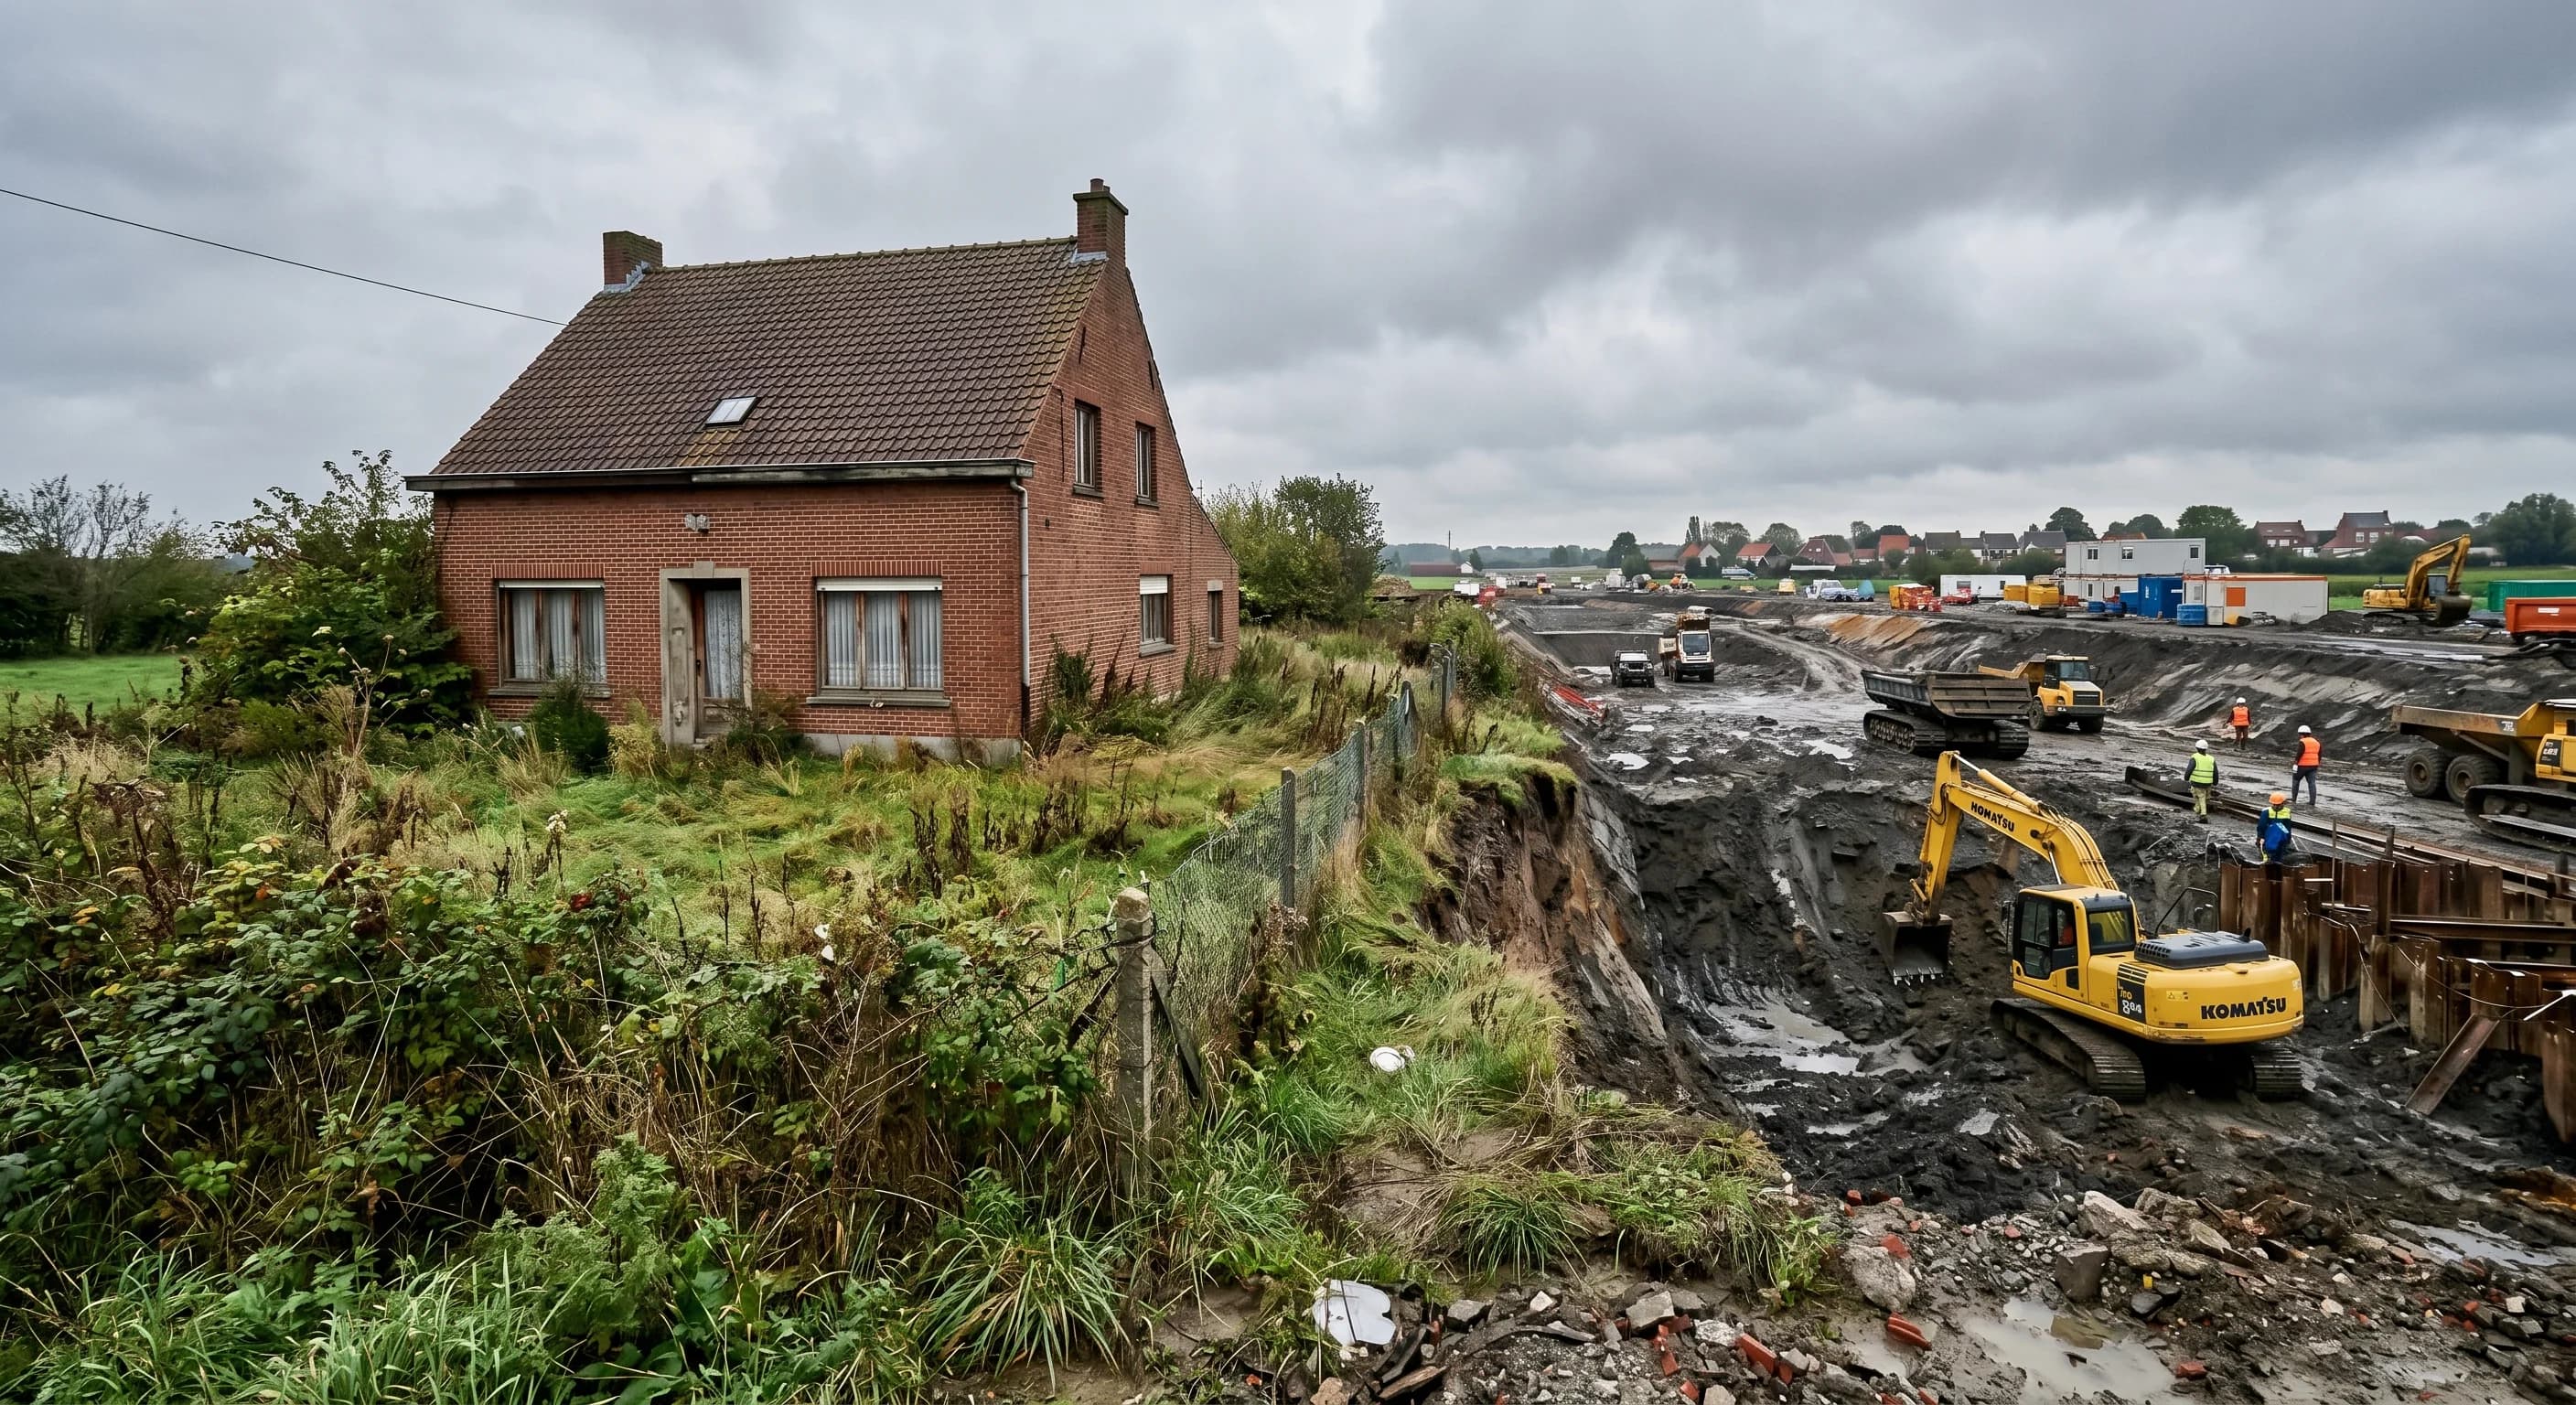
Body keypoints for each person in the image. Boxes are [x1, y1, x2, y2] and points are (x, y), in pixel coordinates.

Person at [2185, 740, 2218, 821]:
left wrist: (2186, 778)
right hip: (2208, 783)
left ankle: (2203, 814)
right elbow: (2215, 771)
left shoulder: (2195, 757)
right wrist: (2215, 782)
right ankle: (2197, 810)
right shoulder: (2211, 758)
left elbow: (2189, 769)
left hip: (2197, 782)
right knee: (2203, 797)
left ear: (2196, 748)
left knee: (2200, 797)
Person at [2291, 724, 2322, 806]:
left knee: (2296, 781)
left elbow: (2299, 753)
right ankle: (2312, 802)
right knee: (2312, 783)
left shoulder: (2303, 741)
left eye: (2300, 734)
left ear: (2302, 734)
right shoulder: (2317, 742)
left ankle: (2293, 799)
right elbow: (2319, 754)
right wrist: (2317, 764)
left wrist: (2295, 763)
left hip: (2302, 766)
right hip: (2314, 766)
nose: (2299, 736)